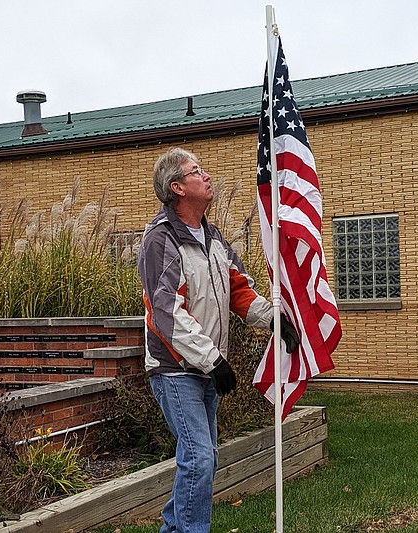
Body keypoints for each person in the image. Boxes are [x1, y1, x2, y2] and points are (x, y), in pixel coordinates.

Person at [137, 147, 298, 533]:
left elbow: (238, 291)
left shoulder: (213, 237)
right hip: (176, 370)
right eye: (198, 171)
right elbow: (167, 312)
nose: (207, 176)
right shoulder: (162, 240)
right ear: (177, 187)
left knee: (203, 457)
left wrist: (274, 318)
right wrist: (214, 360)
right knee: (199, 459)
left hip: (206, 368)